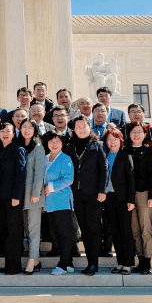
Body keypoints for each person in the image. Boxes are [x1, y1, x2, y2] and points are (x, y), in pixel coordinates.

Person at [65, 115, 107, 276]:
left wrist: (102, 190)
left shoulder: (98, 145)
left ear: (90, 127)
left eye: (84, 126)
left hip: (95, 195)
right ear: (74, 130)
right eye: (78, 127)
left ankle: (93, 263)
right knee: (84, 229)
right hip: (76, 194)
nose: (82, 129)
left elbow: (104, 169)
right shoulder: (69, 147)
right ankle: (90, 262)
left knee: (94, 228)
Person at [125, 122, 152, 274]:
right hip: (128, 195)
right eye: (133, 131)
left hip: (144, 194)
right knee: (134, 229)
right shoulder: (125, 151)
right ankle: (140, 260)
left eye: (139, 131)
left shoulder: (149, 152)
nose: (136, 134)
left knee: (146, 228)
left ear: (145, 135)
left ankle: (148, 261)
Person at [101, 125, 136, 274]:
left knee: (125, 232)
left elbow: (131, 180)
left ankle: (128, 263)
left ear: (121, 141)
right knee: (114, 232)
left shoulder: (125, 156)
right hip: (108, 198)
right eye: (109, 139)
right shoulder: (103, 155)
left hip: (122, 199)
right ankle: (120, 263)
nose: (112, 142)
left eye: (115, 139)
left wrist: (131, 200)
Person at [0, 122, 26, 275]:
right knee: (5, 231)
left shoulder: (18, 150)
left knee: (14, 232)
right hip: (0, 197)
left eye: (9, 131)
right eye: (2, 131)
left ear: (14, 134)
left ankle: (14, 266)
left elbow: (21, 174)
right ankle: (8, 264)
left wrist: (17, 196)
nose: (5, 134)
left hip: (13, 198)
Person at [43, 132, 75, 275]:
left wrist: (51, 187)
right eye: (51, 141)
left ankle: (62, 264)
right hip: (49, 203)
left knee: (64, 234)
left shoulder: (65, 158)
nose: (54, 144)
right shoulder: (44, 159)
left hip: (62, 201)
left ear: (62, 143)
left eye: (57, 141)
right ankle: (69, 263)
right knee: (56, 233)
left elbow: (69, 179)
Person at [19, 119, 46, 275]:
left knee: (34, 230)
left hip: (34, 195)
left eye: (30, 127)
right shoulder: (20, 147)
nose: (26, 130)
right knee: (28, 231)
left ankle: (31, 261)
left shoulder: (38, 148)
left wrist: (36, 193)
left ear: (35, 130)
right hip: (21, 195)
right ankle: (36, 260)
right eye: (24, 127)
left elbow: (39, 172)